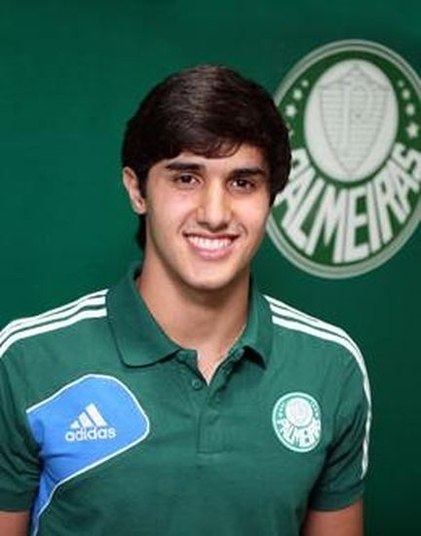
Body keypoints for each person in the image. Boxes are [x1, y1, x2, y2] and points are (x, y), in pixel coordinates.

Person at [0, 65, 371, 536]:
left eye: (242, 182)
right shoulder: (27, 361)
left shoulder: (331, 366)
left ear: (271, 197)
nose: (215, 214)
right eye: (186, 178)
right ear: (137, 190)